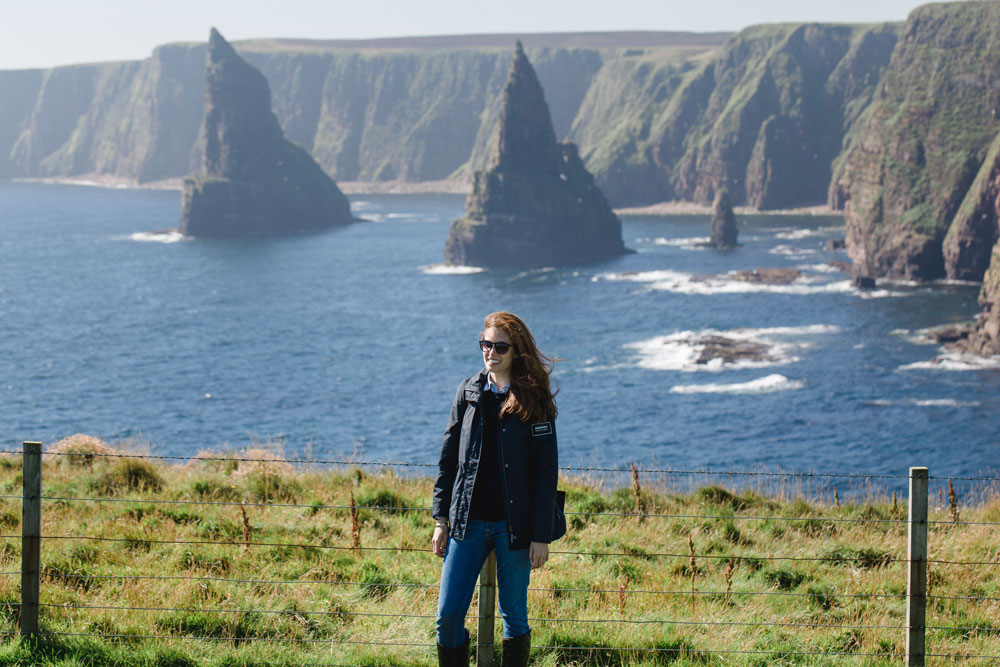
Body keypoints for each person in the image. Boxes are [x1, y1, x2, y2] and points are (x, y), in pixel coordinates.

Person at [432, 311, 559, 667]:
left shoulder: (534, 399)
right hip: (465, 522)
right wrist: (440, 518)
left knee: (515, 617)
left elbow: (547, 473)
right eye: (486, 344)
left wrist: (541, 535)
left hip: (514, 527)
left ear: (516, 351)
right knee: (447, 618)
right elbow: (447, 459)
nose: (491, 352)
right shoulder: (468, 391)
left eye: (500, 346)